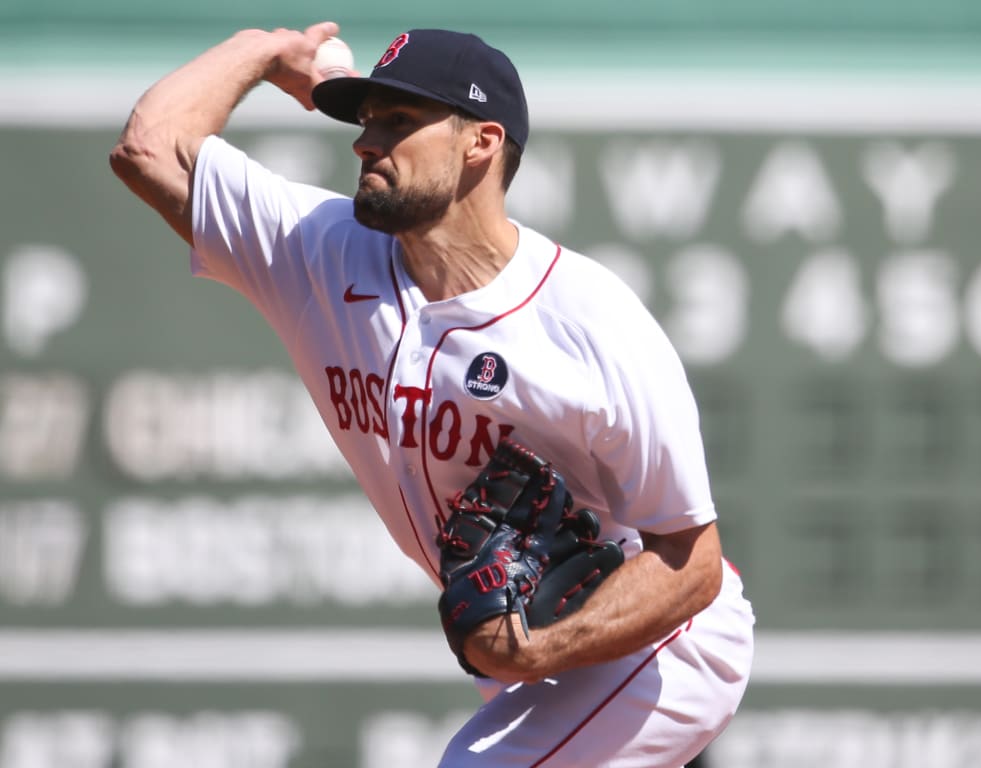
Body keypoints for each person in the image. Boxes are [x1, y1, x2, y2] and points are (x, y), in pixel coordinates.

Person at [109, 22, 753, 767]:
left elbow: (693, 563)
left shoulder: (589, 319)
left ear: (481, 142)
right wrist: (264, 49)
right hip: (538, 664)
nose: (365, 141)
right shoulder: (317, 253)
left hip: (666, 644)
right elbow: (148, 148)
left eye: (399, 121)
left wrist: (536, 647)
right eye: (367, 118)